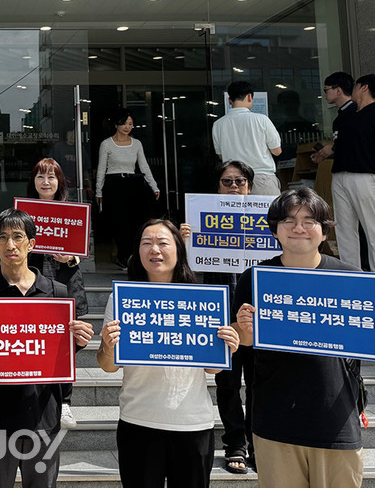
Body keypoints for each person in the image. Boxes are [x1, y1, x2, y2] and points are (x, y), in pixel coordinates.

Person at [233, 188, 375, 487]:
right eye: (288, 220)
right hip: (276, 422)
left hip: (335, 420)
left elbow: (365, 339)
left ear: (324, 232)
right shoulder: (255, 277)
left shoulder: (351, 279)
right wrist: (243, 331)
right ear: (275, 229)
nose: (298, 228)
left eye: (309, 220)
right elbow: (242, 341)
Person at [0, 208, 94, 488]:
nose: (10, 245)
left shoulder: (57, 292)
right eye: (2, 238)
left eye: (18, 237)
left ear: (32, 243)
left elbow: (58, 352)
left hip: (43, 416)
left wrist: (77, 342)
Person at [97, 219, 239, 488]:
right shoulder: (123, 299)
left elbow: (212, 369)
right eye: (146, 243)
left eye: (163, 242)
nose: (155, 250)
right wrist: (107, 345)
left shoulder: (202, 300)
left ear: (178, 249)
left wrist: (227, 350)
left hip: (192, 423)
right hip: (138, 421)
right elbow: (107, 366)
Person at [180, 160, 257, 474]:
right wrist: (183, 243)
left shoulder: (268, 222)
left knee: (258, 382)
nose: (234, 187)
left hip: (260, 314)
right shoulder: (203, 222)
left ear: (250, 187)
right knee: (227, 383)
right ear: (217, 187)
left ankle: (257, 441)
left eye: (240, 181)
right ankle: (235, 443)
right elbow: (186, 275)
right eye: (227, 182)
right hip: (222, 315)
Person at [26, 158, 89, 430]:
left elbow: (80, 256)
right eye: (41, 176)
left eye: (52, 177)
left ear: (60, 182)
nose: (46, 182)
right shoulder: (24, 215)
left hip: (65, 284)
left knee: (65, 347)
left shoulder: (72, 213)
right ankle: (36, 400)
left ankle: (64, 403)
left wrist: (70, 258)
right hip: (33, 286)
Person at [314, 73, 375, 276]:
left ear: (364, 87)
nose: (352, 89)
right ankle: (351, 271)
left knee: (371, 225)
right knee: (344, 226)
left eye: (356, 85)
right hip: (340, 175)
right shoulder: (347, 115)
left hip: (367, 175)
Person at [94, 108, 160, 269]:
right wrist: (98, 191)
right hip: (113, 185)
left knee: (135, 222)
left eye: (130, 124)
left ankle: (132, 257)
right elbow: (101, 168)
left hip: (133, 184)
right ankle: (123, 256)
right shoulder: (106, 144)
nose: (127, 127)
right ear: (116, 124)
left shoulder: (136, 143)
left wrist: (154, 186)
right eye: (123, 123)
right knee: (118, 223)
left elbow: (143, 166)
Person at [212, 81, 283, 195]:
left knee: (236, 213)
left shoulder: (218, 124)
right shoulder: (261, 120)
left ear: (230, 100)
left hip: (232, 183)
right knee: (267, 212)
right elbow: (277, 151)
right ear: (249, 97)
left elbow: (220, 155)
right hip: (261, 179)